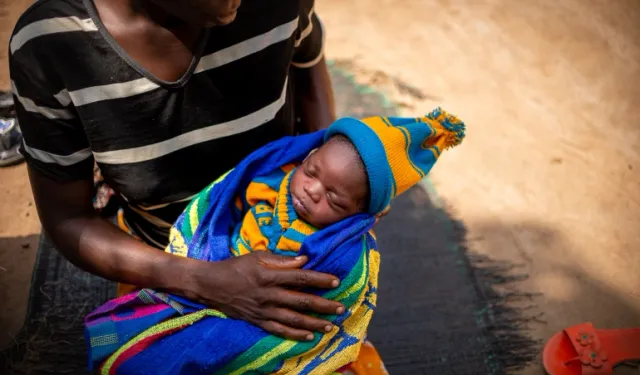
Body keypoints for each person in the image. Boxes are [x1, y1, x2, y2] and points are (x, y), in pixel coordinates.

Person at [10, 0, 341, 343]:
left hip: (292, 245)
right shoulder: (52, 43)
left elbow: (307, 61)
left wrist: (331, 177)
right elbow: (68, 219)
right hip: (166, 264)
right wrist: (202, 281)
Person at [84, 109, 466, 374]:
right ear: (310, 152)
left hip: (271, 320)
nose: (312, 191)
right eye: (312, 171)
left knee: (218, 352)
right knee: (137, 355)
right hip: (215, 275)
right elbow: (221, 210)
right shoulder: (272, 182)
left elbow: (326, 307)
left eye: (334, 198)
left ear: (360, 215)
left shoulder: (343, 253)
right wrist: (217, 263)